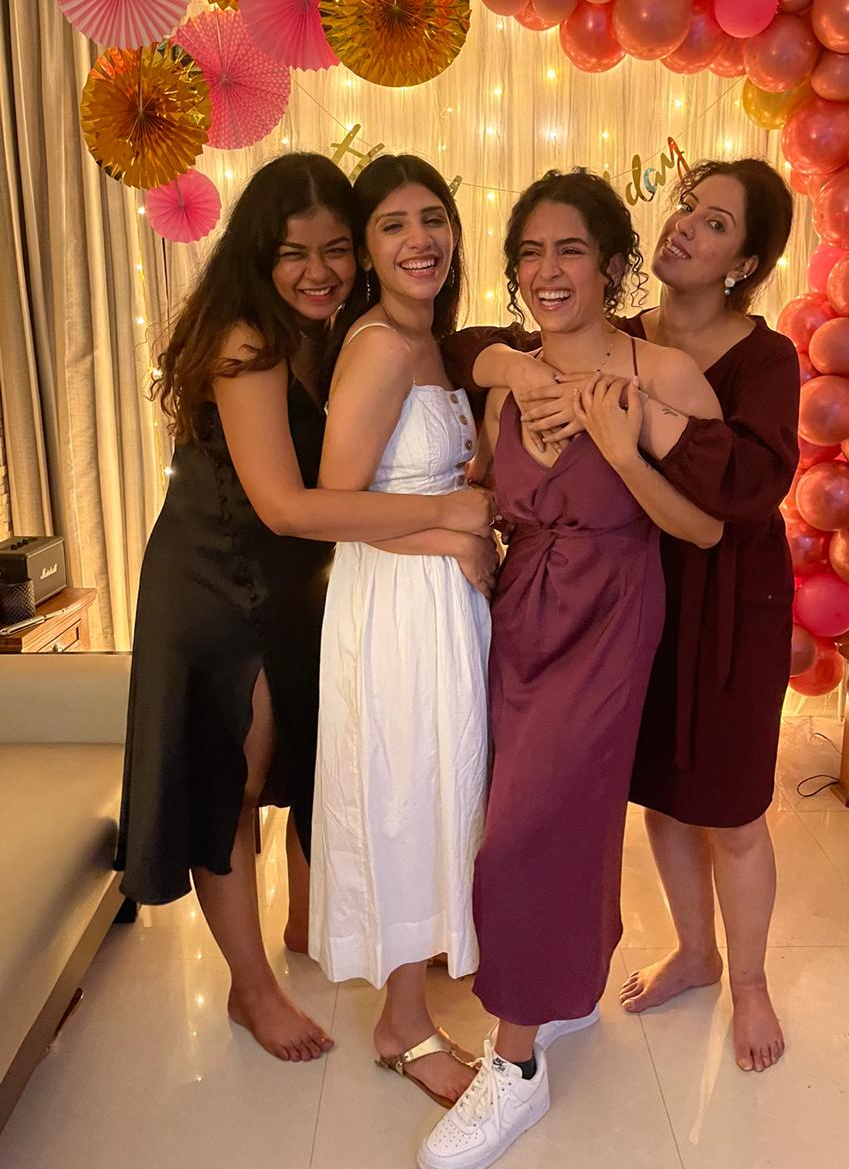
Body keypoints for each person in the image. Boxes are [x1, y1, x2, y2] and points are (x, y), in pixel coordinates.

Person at [116, 153, 492, 1066]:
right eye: (296, 253)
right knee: (234, 783)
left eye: (333, 250)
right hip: (218, 583)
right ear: (259, 254)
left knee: (306, 754)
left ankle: (298, 925)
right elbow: (287, 504)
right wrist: (446, 515)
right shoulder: (248, 339)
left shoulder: (330, 331)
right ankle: (251, 991)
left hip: (299, 578)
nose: (318, 270)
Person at [442, 158, 799, 1076]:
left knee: (727, 800)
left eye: (716, 222)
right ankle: (682, 950)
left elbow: (740, 500)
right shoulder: (586, 338)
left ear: (746, 259)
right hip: (562, 609)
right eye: (688, 207)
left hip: (718, 603)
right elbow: (468, 357)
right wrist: (515, 372)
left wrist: (627, 435)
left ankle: (747, 981)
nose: (689, 226)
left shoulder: (738, 363)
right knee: (645, 799)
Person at [419, 170, 722, 1169]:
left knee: (525, 830)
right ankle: (570, 984)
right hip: (521, 617)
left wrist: (621, 448)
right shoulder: (506, 374)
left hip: (610, 613)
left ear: (611, 263)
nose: (549, 271)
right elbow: (489, 467)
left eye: (571, 251)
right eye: (531, 254)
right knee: (551, 812)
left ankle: (513, 1067)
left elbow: (708, 524)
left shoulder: (662, 374)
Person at [308, 155, 495, 1108]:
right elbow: (336, 506)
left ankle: (421, 991)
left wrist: (473, 523)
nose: (420, 239)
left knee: (445, 785)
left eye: (434, 217)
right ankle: (401, 1026)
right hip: (394, 599)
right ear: (368, 249)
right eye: (392, 225)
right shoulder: (379, 345)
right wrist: (452, 527)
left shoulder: (440, 343)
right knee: (405, 791)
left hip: (444, 598)